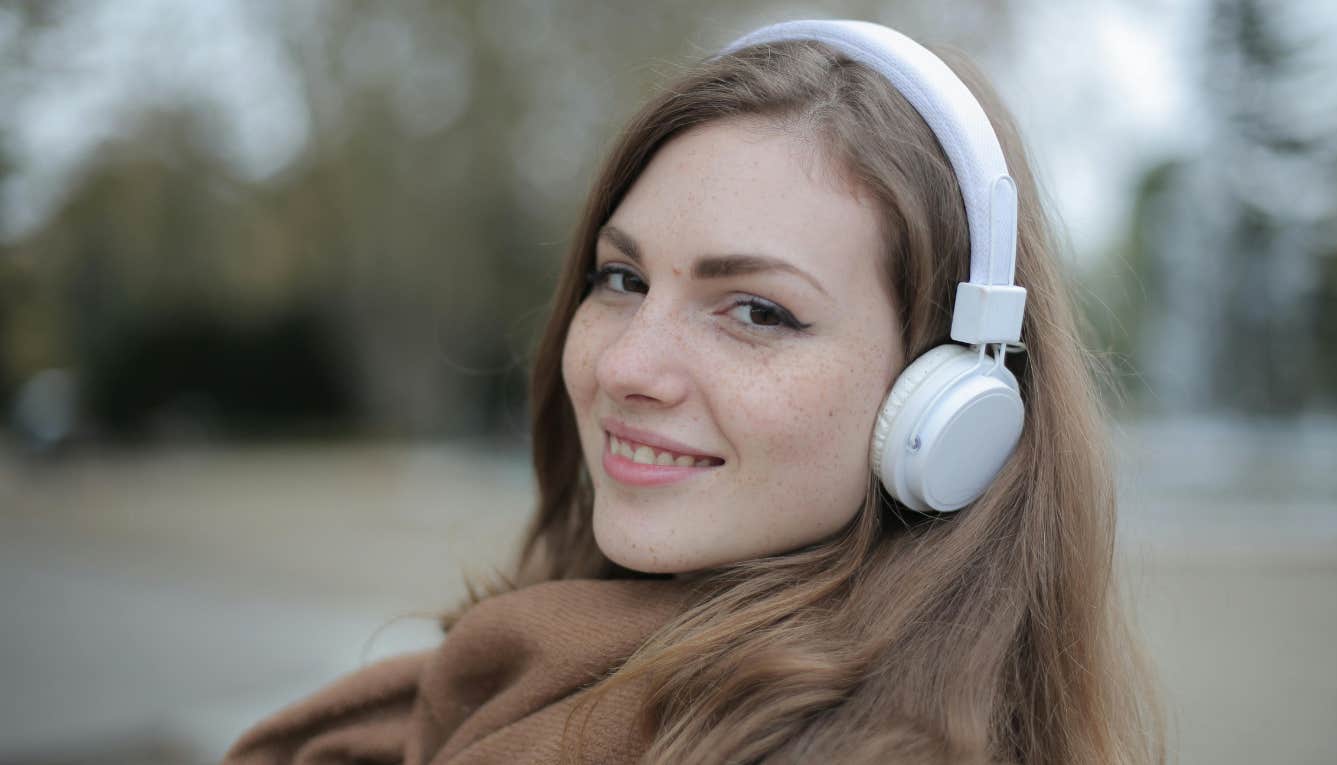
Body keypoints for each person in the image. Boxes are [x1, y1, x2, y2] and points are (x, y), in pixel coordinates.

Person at [224, 19, 1164, 765]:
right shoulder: (503, 685)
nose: (628, 367)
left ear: (949, 402)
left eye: (756, 311)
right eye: (621, 281)